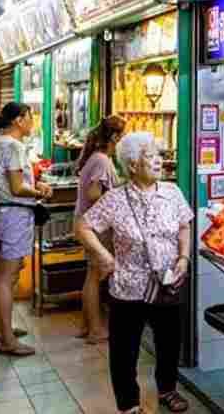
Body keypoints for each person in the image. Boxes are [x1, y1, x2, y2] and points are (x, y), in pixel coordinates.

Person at [76, 132, 192, 414]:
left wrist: (184, 257)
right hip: (129, 287)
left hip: (167, 284)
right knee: (124, 351)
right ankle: (129, 404)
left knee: (168, 342)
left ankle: (167, 389)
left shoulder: (172, 192)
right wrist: (104, 256)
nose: (158, 161)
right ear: (131, 165)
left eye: (158, 155)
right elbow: (83, 226)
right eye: (150, 156)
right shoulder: (115, 199)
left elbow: (184, 225)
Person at [0, 103, 52, 356]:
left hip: (0, 213)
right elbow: (16, 187)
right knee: (7, 276)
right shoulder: (13, 146)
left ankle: (0, 329)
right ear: (19, 120)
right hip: (12, 213)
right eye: (30, 117)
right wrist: (41, 191)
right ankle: (8, 341)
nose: (33, 122)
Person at [74, 115, 126, 344]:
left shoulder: (95, 158)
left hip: (88, 224)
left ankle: (87, 326)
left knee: (91, 275)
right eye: (121, 136)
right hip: (94, 227)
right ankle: (95, 330)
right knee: (95, 276)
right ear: (114, 137)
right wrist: (118, 194)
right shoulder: (102, 160)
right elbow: (94, 194)